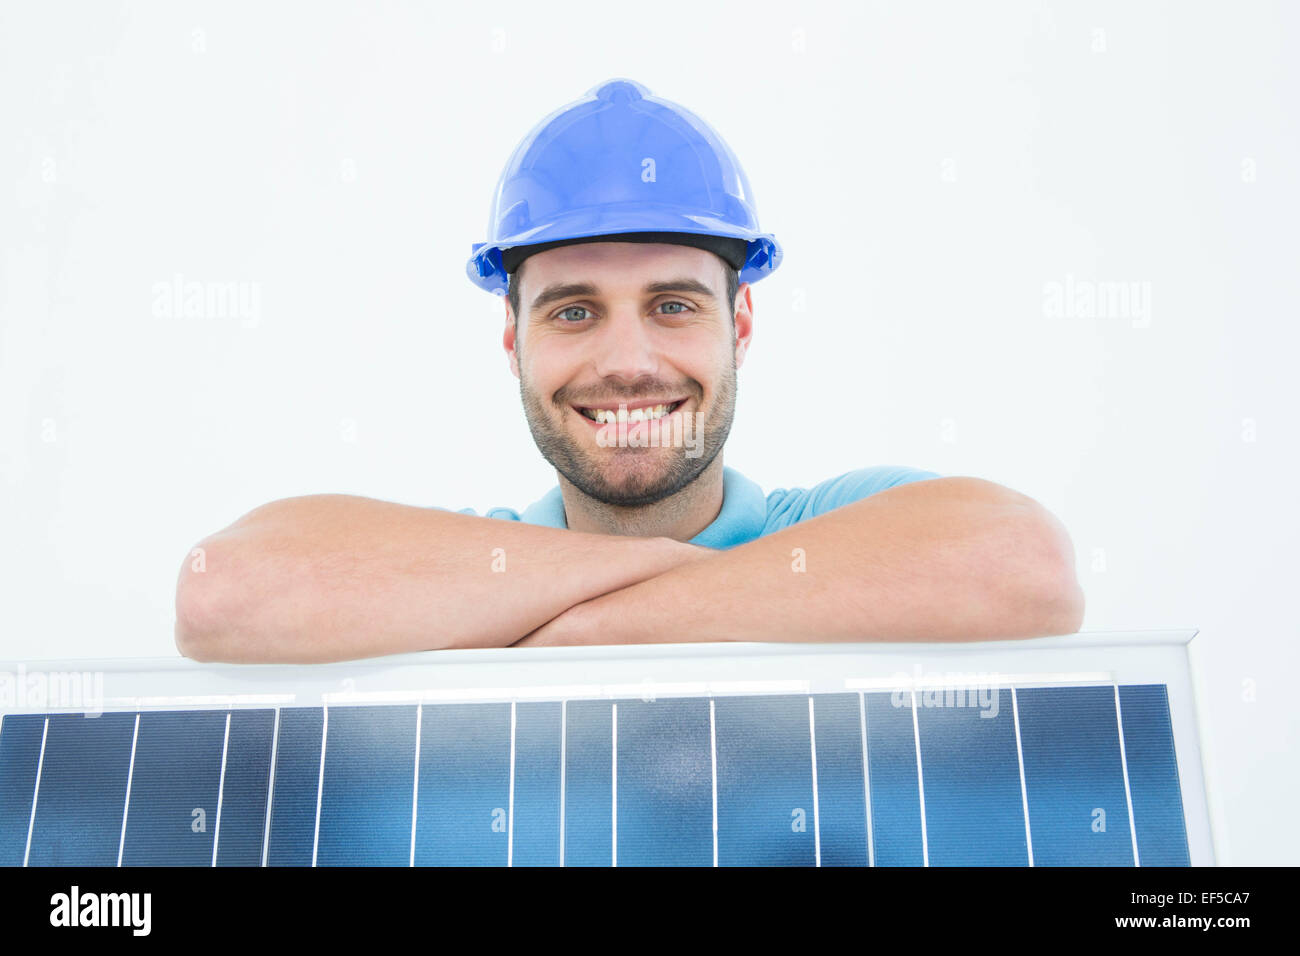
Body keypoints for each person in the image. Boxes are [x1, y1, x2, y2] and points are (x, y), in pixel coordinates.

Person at [174, 79, 1083, 664]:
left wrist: (590, 630)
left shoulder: (829, 527)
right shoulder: (471, 552)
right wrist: (669, 568)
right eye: (573, 311)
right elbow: (224, 589)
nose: (627, 363)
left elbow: (1028, 563)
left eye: (673, 305)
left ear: (742, 323)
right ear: (512, 339)